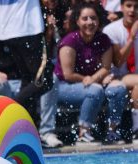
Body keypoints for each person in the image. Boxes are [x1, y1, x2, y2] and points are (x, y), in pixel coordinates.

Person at [52, 2, 128, 143]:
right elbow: (68, 74)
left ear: (98, 20)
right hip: (64, 87)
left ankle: (112, 132)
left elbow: (106, 67)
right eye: (85, 18)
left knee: (118, 88)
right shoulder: (70, 41)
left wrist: (95, 78)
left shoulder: (103, 40)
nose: (90, 22)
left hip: (94, 83)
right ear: (77, 21)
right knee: (95, 90)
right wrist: (92, 80)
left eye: (93, 18)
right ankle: (84, 134)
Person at [103, 0, 138, 140]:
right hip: (115, 78)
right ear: (122, 7)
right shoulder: (111, 30)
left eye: (136, 7)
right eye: (129, 6)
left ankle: (136, 130)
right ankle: (113, 131)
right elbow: (118, 62)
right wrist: (132, 37)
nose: (132, 10)